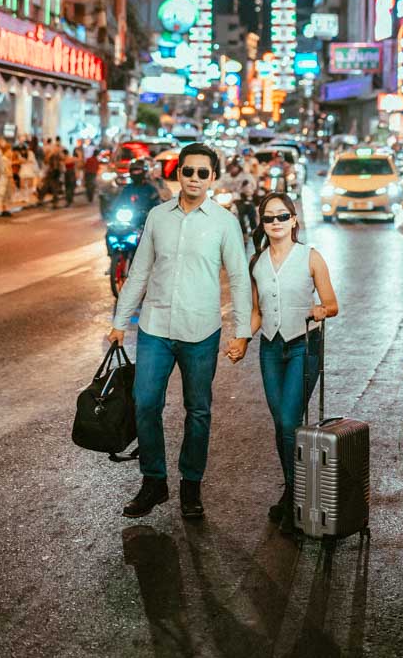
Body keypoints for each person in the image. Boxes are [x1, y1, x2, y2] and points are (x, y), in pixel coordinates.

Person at [108, 142, 253, 522]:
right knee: (145, 403)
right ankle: (154, 481)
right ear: (178, 173)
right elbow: (139, 271)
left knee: (198, 410)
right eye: (188, 171)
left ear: (212, 177)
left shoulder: (224, 222)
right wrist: (120, 322)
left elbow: (239, 279)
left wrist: (242, 332)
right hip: (155, 327)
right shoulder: (158, 217)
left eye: (203, 173)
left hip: (201, 330)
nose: (194, 179)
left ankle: (191, 485)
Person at [249, 191, 338, 535]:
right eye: (269, 217)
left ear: (294, 220)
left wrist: (321, 309)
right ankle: (292, 491)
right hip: (270, 349)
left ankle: (296, 496)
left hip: (304, 346)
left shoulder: (310, 257)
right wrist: (240, 339)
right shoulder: (257, 262)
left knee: (289, 420)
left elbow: (332, 303)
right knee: (281, 424)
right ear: (262, 223)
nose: (276, 222)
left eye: (282, 216)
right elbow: (256, 312)